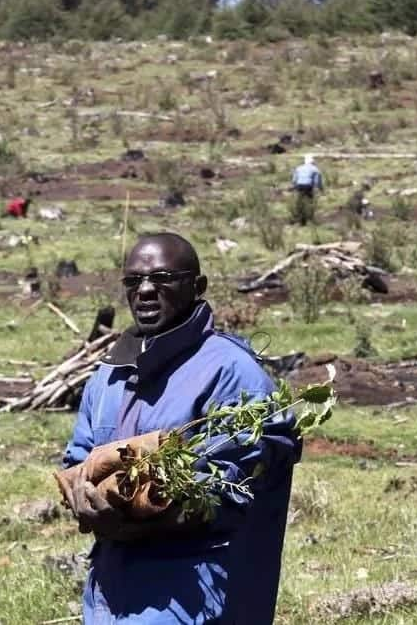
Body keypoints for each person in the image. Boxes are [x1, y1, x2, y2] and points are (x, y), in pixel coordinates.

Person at [61, 233, 301, 624]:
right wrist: (84, 498)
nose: (146, 291)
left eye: (163, 278)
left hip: (194, 596)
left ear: (197, 286)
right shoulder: (109, 375)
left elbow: (233, 493)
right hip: (109, 596)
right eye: (134, 281)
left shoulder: (233, 374)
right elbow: (77, 458)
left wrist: (138, 514)